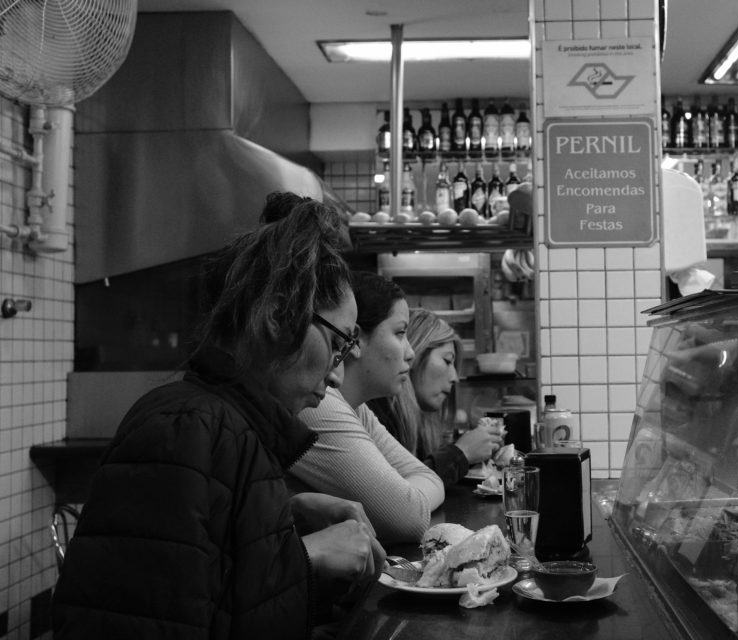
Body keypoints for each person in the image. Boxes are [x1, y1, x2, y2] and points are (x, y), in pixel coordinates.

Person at [52, 200, 385, 639]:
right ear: (276, 316)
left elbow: (204, 577)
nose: (339, 374)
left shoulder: (233, 427)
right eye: (339, 344)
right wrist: (303, 558)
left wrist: (287, 521)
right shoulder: (184, 426)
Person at [288, 272, 445, 543]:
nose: (410, 352)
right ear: (356, 339)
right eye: (400, 333)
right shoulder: (317, 404)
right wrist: (409, 496)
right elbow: (408, 518)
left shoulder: (354, 407)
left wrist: (410, 496)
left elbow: (427, 477)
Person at [369, 308, 502, 485]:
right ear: (414, 354)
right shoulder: (380, 416)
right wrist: (461, 453)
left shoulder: (417, 427)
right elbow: (399, 493)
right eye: (447, 361)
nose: (454, 377)